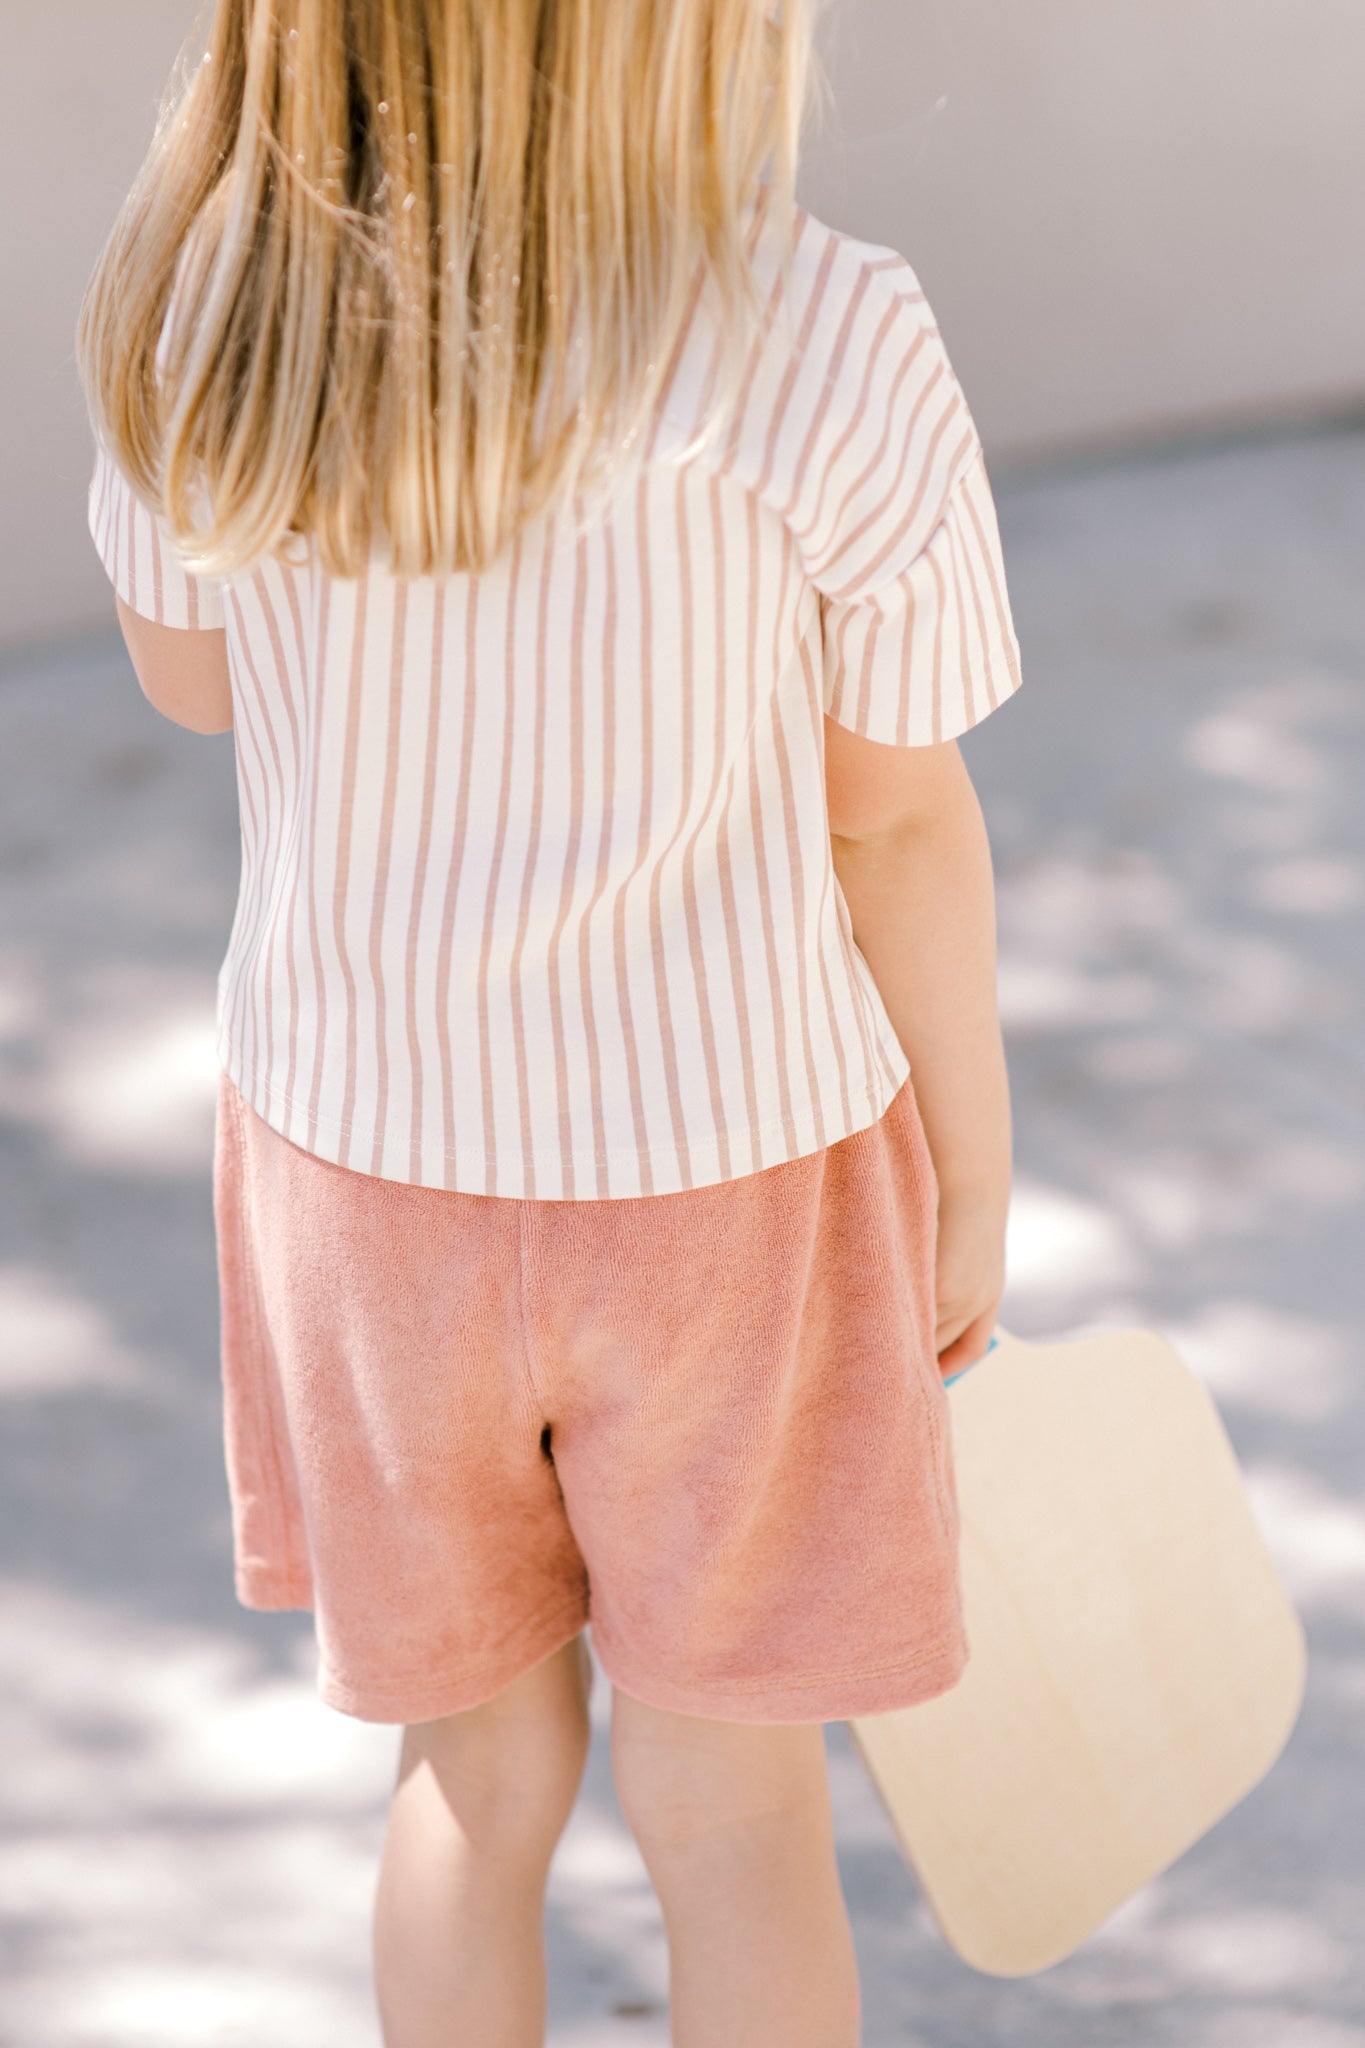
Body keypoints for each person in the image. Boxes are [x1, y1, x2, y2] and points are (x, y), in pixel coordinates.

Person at [77, 1, 1022, 2041]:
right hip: (732, 1190)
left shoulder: (212, 302)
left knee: (471, 1777)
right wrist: (968, 1168)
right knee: (734, 1807)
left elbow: (190, 680)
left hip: (363, 1185)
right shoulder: (822, 331)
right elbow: (890, 815)